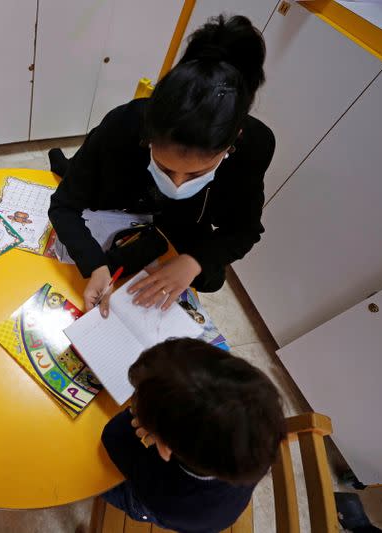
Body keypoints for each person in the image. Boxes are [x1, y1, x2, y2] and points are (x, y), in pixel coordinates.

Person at [48, 15, 274, 316]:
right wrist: (95, 265)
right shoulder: (124, 123)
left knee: (209, 277)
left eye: (196, 174)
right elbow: (64, 206)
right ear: (148, 136)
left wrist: (192, 261)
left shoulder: (255, 145)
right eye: (166, 169)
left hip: (180, 222)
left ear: (232, 144)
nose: (178, 183)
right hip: (118, 204)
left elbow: (245, 230)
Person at [101, 338, 285, 532]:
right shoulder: (258, 440)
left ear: (164, 449)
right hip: (220, 507)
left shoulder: (164, 491)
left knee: (102, 484)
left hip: (159, 507)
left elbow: (113, 437)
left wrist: (139, 415)